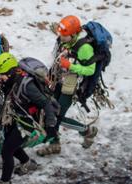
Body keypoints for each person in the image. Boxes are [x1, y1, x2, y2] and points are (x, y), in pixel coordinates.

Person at [0, 53, 59, 184]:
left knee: (7, 150)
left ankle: (5, 183)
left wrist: (51, 124)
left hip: (27, 122)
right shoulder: (9, 81)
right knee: (10, 144)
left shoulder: (27, 85)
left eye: (2, 74)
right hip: (15, 118)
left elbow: (45, 103)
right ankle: (28, 163)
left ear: (10, 71)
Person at [37, 15, 98, 156]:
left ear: (75, 34)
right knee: (49, 112)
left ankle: (86, 131)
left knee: (56, 117)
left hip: (72, 86)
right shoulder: (63, 40)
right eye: (60, 34)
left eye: (65, 36)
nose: (61, 38)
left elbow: (90, 70)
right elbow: (55, 57)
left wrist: (70, 65)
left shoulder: (85, 48)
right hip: (58, 81)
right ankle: (55, 143)